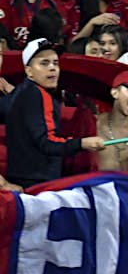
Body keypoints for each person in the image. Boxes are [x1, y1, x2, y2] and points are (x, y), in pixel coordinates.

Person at [6, 38, 105, 188]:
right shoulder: (39, 95)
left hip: (20, 178)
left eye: (55, 63)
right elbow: (47, 142)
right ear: (29, 71)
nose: (52, 68)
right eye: (44, 63)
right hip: (38, 183)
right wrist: (82, 143)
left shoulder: (21, 92)